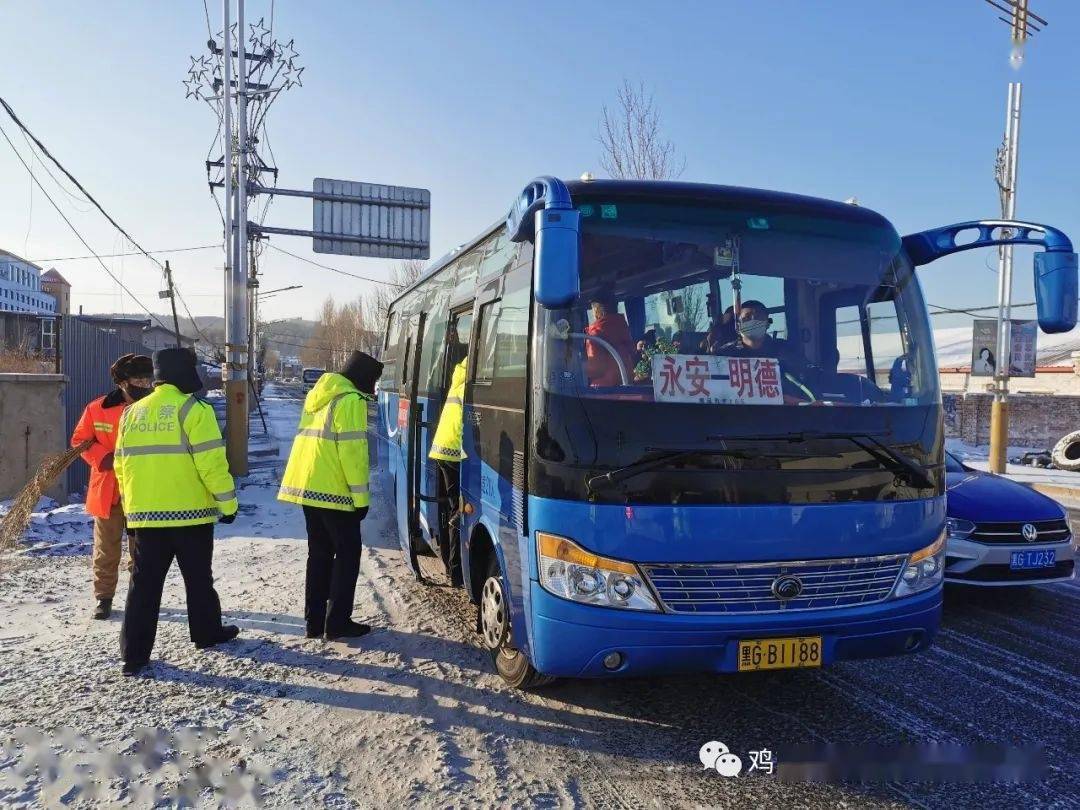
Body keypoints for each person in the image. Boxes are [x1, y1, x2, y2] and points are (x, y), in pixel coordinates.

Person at [115, 348, 240, 677]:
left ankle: (134, 655)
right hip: (191, 517)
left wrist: (132, 509)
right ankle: (206, 633)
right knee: (198, 579)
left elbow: (121, 468)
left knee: (142, 587)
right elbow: (212, 464)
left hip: (145, 518)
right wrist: (227, 504)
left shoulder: (131, 414)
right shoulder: (194, 410)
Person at [279, 350, 382, 640]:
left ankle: (314, 622)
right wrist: (360, 500)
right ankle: (337, 622)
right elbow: (353, 455)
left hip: (309, 488)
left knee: (319, 554)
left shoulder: (319, 396)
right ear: (363, 379)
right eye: (372, 381)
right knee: (348, 554)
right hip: (335, 493)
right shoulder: (350, 401)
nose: (372, 388)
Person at [71, 353, 153, 620]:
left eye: (146, 378)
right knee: (106, 549)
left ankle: (137, 595)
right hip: (108, 490)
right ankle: (103, 598)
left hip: (143, 490)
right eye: (137, 379)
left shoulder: (154, 407)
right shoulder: (97, 408)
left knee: (139, 548)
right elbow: (80, 440)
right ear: (122, 382)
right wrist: (102, 458)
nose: (143, 383)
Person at [429, 342, 468, 587]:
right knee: (459, 511)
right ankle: (456, 573)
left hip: (443, 449)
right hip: (454, 451)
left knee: (453, 507)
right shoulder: (470, 386)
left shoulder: (459, 378)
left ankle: (454, 569)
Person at [584, 299, 635, 387]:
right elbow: (632, 352)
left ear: (596, 310)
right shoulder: (623, 327)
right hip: (627, 384)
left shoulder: (595, 333)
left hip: (604, 389)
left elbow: (594, 368)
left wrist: (580, 368)